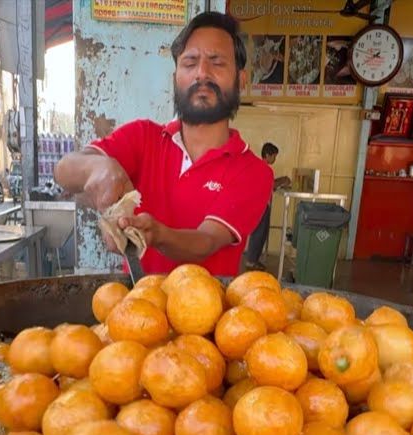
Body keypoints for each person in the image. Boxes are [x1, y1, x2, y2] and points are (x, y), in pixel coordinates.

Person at [54, 12, 273, 276]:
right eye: (190, 63)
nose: (202, 73)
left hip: (212, 315)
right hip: (138, 310)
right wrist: (97, 169)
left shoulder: (253, 172)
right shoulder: (143, 137)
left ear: (241, 80)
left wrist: (157, 235)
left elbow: (207, 241)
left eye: (217, 62)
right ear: (175, 79)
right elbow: (64, 170)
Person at [243, 143, 293, 270]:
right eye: (274, 156)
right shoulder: (264, 169)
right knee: (259, 233)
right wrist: (283, 180)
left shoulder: (258, 167)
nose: (275, 159)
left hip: (259, 205)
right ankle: (251, 261)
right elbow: (272, 184)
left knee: (262, 233)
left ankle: (254, 259)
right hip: (260, 206)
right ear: (268, 155)